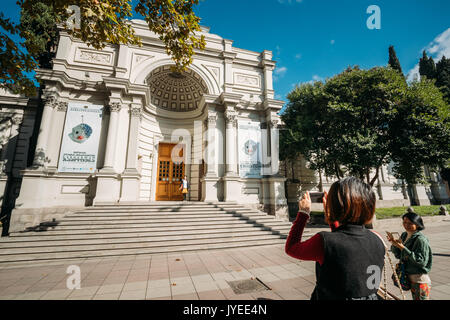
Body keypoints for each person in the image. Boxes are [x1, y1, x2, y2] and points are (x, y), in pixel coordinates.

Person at [285, 177, 386, 300]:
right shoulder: (377, 238)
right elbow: (343, 246)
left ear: (335, 206)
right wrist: (332, 220)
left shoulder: (323, 241)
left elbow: (292, 248)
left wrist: (303, 214)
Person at [387, 212, 432, 300]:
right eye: (404, 222)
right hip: (408, 278)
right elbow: (398, 255)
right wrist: (394, 244)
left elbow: (421, 261)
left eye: (410, 223)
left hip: (419, 280)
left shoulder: (421, 239)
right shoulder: (404, 235)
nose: (406, 225)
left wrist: (403, 248)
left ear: (417, 224)